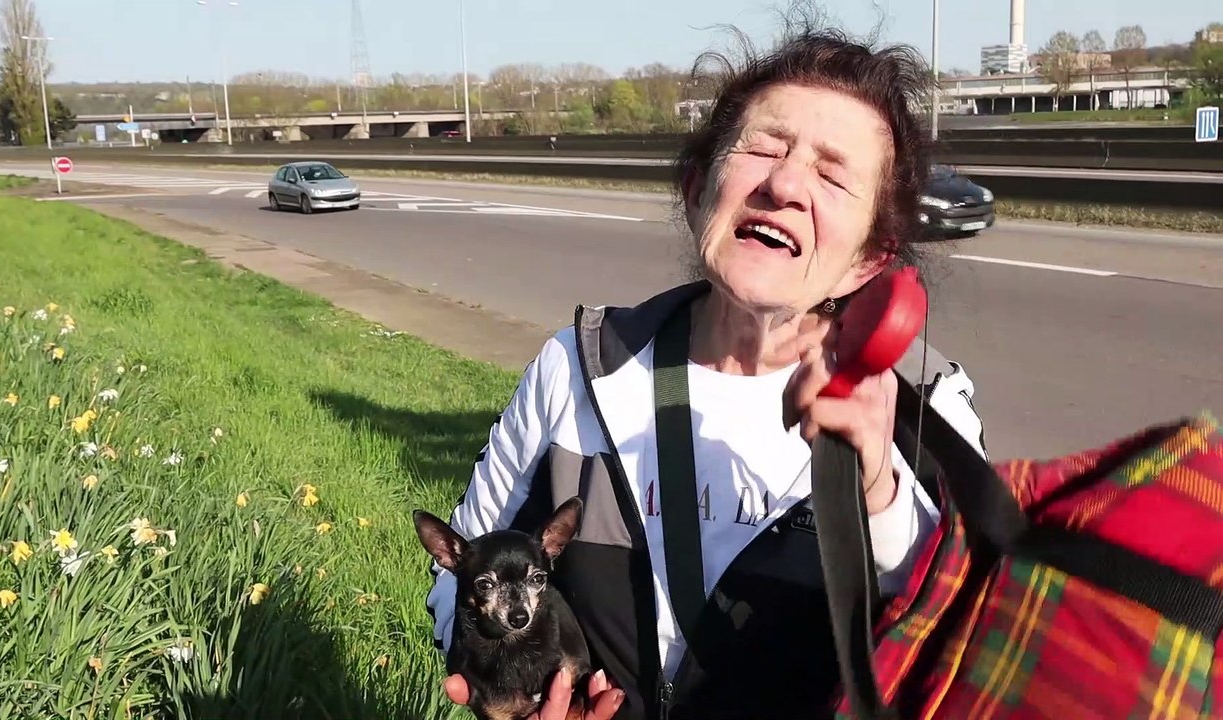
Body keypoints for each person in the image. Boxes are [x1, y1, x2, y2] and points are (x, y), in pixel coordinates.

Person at [422, 22, 991, 720]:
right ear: (697, 191)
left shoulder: (929, 411)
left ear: (873, 257)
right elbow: (453, 572)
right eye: (762, 147)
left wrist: (877, 489)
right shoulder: (576, 368)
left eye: (833, 173)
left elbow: (975, 652)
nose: (783, 182)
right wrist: (507, 692)